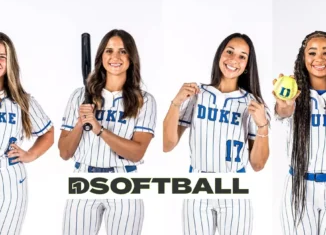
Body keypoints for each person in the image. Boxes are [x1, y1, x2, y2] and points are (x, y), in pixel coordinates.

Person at [163, 33, 270, 235]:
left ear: (247, 65)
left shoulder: (252, 103)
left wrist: (263, 125)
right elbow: (168, 145)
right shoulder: (197, 94)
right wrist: (176, 102)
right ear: (219, 55)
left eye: (242, 56)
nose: (233, 60)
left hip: (234, 185)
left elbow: (258, 165)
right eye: (229, 52)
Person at [59, 29, 157, 235]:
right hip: (84, 178)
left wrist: (99, 128)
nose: (115, 57)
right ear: (101, 56)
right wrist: (80, 123)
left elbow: (137, 152)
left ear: (131, 57)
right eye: (109, 51)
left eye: (122, 51)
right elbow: (64, 153)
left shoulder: (144, 100)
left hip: (124, 180)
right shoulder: (80, 95)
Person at [0, 32, 54, 234]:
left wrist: (30, 154)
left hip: (9, 178)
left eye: (2, 57)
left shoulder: (22, 101)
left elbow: (48, 133)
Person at [276, 31, 326, 235]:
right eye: (312, 52)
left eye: (325, 52)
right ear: (303, 58)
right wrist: (285, 104)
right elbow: (283, 112)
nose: (319, 58)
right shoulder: (294, 92)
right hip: (299, 186)